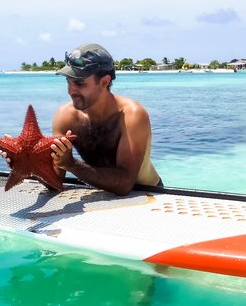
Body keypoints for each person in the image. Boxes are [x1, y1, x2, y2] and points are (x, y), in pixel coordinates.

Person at [49, 43, 162, 195]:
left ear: (104, 82)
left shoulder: (131, 114)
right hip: (102, 192)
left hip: (148, 193)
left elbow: (125, 183)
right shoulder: (65, 116)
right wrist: (24, 162)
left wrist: (72, 165)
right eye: (68, 82)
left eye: (79, 83)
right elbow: (55, 179)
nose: (71, 91)